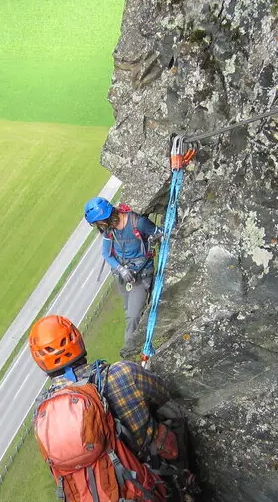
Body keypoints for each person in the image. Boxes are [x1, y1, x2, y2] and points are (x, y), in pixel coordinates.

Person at [28, 314, 178, 461]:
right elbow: (164, 395)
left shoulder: (42, 416)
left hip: (100, 483)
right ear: (78, 342)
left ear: (41, 362)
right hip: (152, 472)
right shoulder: (124, 372)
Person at [84, 197, 158, 357]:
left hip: (140, 274)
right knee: (128, 312)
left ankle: (129, 353)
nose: (100, 227)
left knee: (133, 316)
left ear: (105, 218)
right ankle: (139, 344)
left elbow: (159, 234)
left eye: (99, 223)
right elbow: (106, 253)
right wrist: (120, 269)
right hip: (122, 275)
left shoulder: (137, 222)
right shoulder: (109, 230)